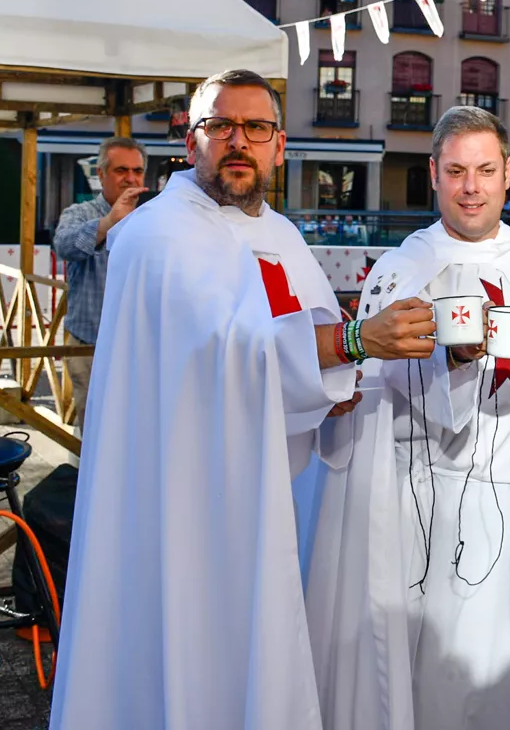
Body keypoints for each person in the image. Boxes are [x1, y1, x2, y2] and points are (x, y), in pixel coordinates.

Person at [50, 70, 437, 730]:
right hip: (186, 505)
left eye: (255, 128)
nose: (238, 141)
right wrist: (351, 341)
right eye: (219, 126)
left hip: (279, 494)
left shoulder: (283, 236)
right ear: (189, 139)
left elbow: (304, 351)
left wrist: (334, 387)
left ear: (279, 146)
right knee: (191, 660)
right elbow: (222, 350)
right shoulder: (155, 237)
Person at [300, 106, 510, 730]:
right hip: (430, 511)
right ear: (434, 174)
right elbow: (366, 392)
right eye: (458, 171)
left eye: (486, 171)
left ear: (508, 174)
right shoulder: (398, 270)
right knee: (440, 675)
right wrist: (450, 362)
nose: (472, 187)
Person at [52, 136, 147, 431]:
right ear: (101, 174)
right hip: (91, 346)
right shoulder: (79, 213)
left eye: (137, 171)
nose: (130, 178)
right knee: (96, 433)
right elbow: (63, 245)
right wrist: (109, 222)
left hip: (141, 348)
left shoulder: (152, 217)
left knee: (137, 432)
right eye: (121, 170)